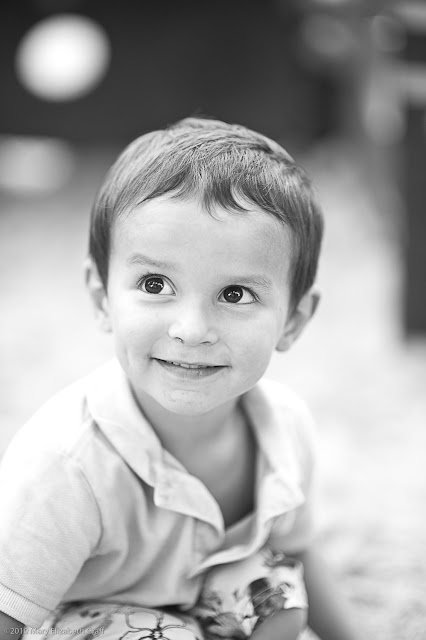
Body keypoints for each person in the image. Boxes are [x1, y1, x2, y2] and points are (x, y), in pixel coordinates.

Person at [0, 117, 361, 640]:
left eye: (235, 294)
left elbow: (298, 549)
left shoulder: (285, 426)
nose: (191, 330)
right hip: (85, 616)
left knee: (280, 597)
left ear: (293, 320)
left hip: (209, 595)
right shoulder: (66, 463)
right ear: (102, 299)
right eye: (155, 284)